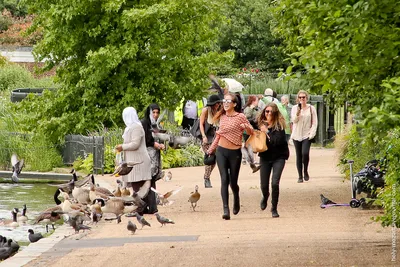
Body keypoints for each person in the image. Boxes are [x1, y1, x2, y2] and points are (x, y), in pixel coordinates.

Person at [207, 93, 254, 220]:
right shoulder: (221, 117)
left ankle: (236, 197)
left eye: (229, 101)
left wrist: (245, 127)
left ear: (234, 104)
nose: (226, 103)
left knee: (233, 181)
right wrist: (211, 150)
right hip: (221, 151)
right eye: (224, 101)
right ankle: (225, 209)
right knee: (224, 180)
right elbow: (219, 135)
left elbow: (251, 132)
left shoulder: (241, 116)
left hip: (235, 153)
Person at [115, 107, 152, 213]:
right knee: (136, 186)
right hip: (133, 161)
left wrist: (123, 146)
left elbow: (135, 144)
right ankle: (142, 207)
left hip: (139, 161)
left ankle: (140, 208)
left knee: (138, 187)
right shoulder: (131, 127)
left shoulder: (136, 127)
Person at [257, 102, 289, 218]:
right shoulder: (261, 124)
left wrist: (267, 132)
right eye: (266, 111)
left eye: (271, 111)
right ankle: (265, 196)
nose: (268, 113)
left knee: (275, 183)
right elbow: (250, 127)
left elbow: (277, 141)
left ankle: (274, 208)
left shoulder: (279, 126)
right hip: (265, 157)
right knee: (263, 185)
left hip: (279, 157)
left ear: (275, 113)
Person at [140, 103, 166, 214]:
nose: (155, 115)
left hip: (155, 154)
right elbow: (145, 139)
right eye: (153, 112)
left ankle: (151, 206)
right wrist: (154, 144)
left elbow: (159, 137)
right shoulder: (145, 123)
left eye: (157, 112)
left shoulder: (155, 124)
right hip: (148, 155)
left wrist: (162, 144)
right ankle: (148, 205)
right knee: (148, 179)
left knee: (152, 179)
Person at [291, 90, 318, 183]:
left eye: (303, 97)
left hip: (307, 134)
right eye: (300, 97)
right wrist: (298, 112)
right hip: (297, 134)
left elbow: (315, 122)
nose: (302, 99)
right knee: (298, 155)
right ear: (297, 99)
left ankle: (305, 170)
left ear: (307, 98)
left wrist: (312, 133)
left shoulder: (311, 108)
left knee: (305, 153)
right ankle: (300, 176)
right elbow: (294, 121)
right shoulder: (295, 108)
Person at [199, 94, 222, 188]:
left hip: (215, 138)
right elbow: (201, 124)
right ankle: (206, 178)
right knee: (210, 158)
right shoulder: (206, 110)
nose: (217, 105)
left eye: (217, 104)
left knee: (214, 161)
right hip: (207, 137)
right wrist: (203, 136)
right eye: (215, 104)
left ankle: (207, 176)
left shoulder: (219, 111)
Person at [242, 95, 261, 172]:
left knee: (250, 146)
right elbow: (246, 118)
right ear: (253, 101)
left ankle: (251, 162)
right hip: (247, 130)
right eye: (257, 100)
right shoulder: (248, 109)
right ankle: (246, 159)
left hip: (253, 129)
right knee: (247, 145)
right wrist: (254, 119)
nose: (258, 102)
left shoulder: (256, 109)